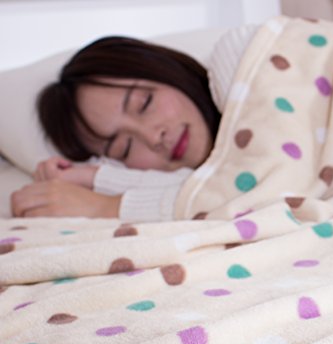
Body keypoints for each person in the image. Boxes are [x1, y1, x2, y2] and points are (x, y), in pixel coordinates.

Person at [10, 36, 221, 221]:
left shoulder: (233, 65)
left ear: (169, 71)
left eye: (144, 104)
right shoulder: (180, 180)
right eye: (124, 148)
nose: (153, 136)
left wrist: (103, 206)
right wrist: (86, 178)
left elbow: (225, 193)